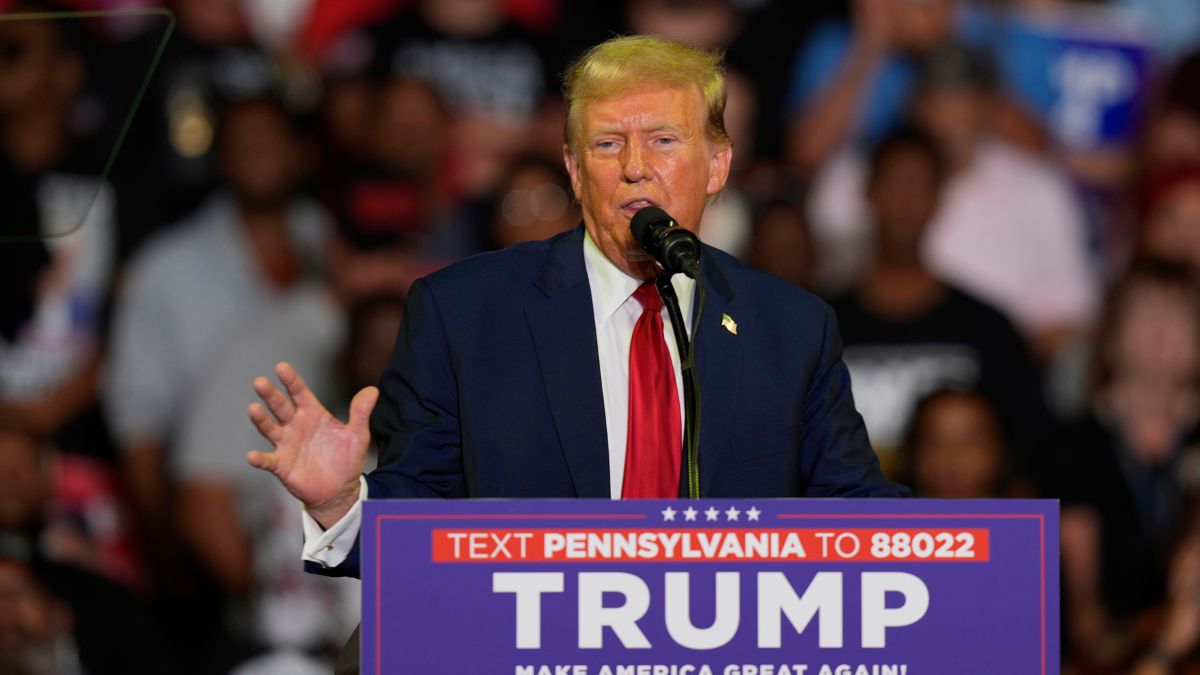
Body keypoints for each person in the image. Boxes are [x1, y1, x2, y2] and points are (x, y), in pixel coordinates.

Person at [246, 35, 906, 579]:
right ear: (572, 166)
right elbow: (424, 522)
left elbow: (862, 521)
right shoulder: (466, 313)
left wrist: (981, 553)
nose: (635, 168)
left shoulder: (789, 328)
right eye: (608, 144)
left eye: (665, 142)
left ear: (717, 166)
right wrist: (343, 503)